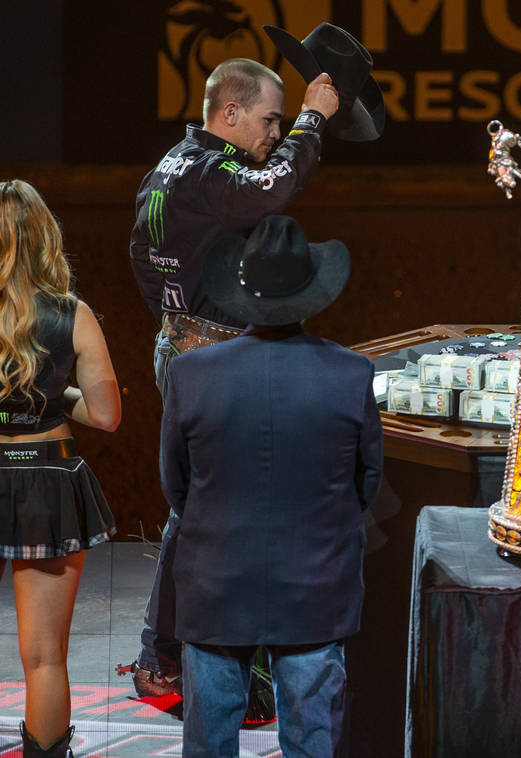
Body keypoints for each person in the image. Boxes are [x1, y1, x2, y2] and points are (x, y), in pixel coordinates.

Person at [124, 23, 384, 698]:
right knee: (218, 516)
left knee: (203, 514)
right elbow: (271, 187)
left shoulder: (170, 165)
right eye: (267, 120)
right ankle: (190, 656)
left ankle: (172, 654)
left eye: (279, 123)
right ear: (230, 112)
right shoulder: (213, 171)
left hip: (182, 339)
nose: (272, 135)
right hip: (209, 349)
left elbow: (142, 261)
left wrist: (180, 326)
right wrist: (310, 121)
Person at [160, 214, 382, 756]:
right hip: (315, 583)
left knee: (209, 743)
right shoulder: (351, 373)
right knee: (311, 742)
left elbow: (175, 484)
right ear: (311, 293)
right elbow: (368, 483)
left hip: (215, 584)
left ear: (241, 290)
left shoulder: (190, 374)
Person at [0, 180, 121, 757]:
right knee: (45, 656)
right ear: (45, 236)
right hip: (47, 476)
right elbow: (106, 415)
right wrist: (52, 395)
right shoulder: (74, 315)